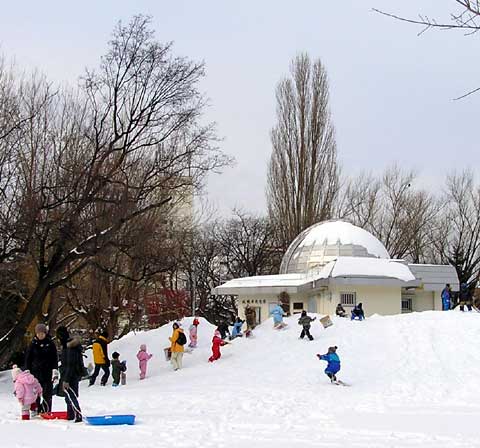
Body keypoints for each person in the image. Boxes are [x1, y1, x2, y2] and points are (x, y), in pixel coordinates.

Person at [24, 323, 58, 413]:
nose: (40, 335)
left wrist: (55, 370)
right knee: (35, 393)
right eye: (38, 333)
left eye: (42, 333)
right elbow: (28, 358)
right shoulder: (33, 344)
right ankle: (36, 409)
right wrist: (27, 370)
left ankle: (46, 410)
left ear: (45, 333)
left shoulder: (50, 344)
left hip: (47, 372)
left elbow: (55, 358)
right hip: (35, 372)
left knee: (47, 393)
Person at [56, 326, 83, 422]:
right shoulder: (70, 347)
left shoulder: (69, 348)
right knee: (69, 396)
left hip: (70, 374)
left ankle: (77, 414)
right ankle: (71, 415)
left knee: (71, 395)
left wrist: (66, 379)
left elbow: (69, 364)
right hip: (74, 373)